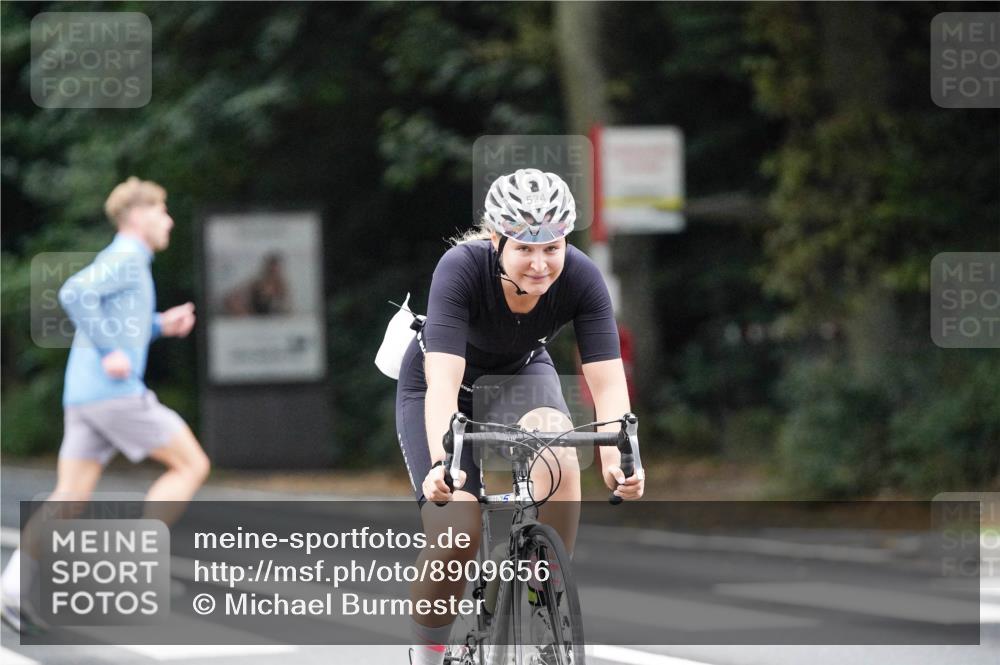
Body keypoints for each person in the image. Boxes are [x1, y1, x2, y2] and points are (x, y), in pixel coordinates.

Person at [396, 169, 644, 664]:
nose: (539, 264)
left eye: (551, 248)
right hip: (444, 385)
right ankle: (427, 653)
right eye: (524, 249)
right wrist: (446, 464)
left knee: (562, 460)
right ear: (496, 240)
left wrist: (621, 454)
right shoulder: (460, 268)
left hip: (520, 376)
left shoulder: (581, 276)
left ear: (565, 242)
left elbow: (608, 382)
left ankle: (544, 600)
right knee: (458, 532)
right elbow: (443, 381)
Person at [0, 177, 211, 634]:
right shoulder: (129, 257)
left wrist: (159, 325)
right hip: (114, 395)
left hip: (83, 396)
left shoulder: (124, 260)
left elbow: (121, 321)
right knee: (191, 464)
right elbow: (74, 293)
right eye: (161, 210)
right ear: (137, 215)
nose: (168, 219)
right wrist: (111, 351)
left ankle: (13, 588)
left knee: (69, 497)